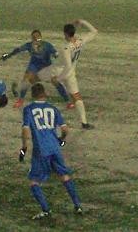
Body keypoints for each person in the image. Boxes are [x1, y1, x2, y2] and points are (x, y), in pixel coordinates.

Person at [20, 83, 83, 220]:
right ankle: (77, 205)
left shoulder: (28, 109)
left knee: (33, 181)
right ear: (44, 94)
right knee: (64, 176)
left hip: (41, 150)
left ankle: (46, 210)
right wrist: (61, 139)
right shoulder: (53, 109)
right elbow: (65, 130)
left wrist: (24, 147)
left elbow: (25, 130)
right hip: (55, 148)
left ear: (33, 95)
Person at [1, 30, 71, 108]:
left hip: (46, 66)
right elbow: (18, 50)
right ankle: (20, 101)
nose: (35, 38)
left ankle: (68, 101)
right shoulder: (29, 45)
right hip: (34, 66)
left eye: (37, 36)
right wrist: (8, 55)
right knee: (26, 79)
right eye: (33, 37)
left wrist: (58, 56)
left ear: (41, 37)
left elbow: (55, 54)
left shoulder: (47, 45)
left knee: (55, 81)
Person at [48, 20, 97, 129]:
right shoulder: (81, 41)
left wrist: (59, 79)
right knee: (77, 96)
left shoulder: (66, 48)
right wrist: (82, 22)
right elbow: (94, 31)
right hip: (70, 73)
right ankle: (84, 123)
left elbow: (67, 66)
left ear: (65, 34)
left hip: (59, 71)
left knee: (40, 76)